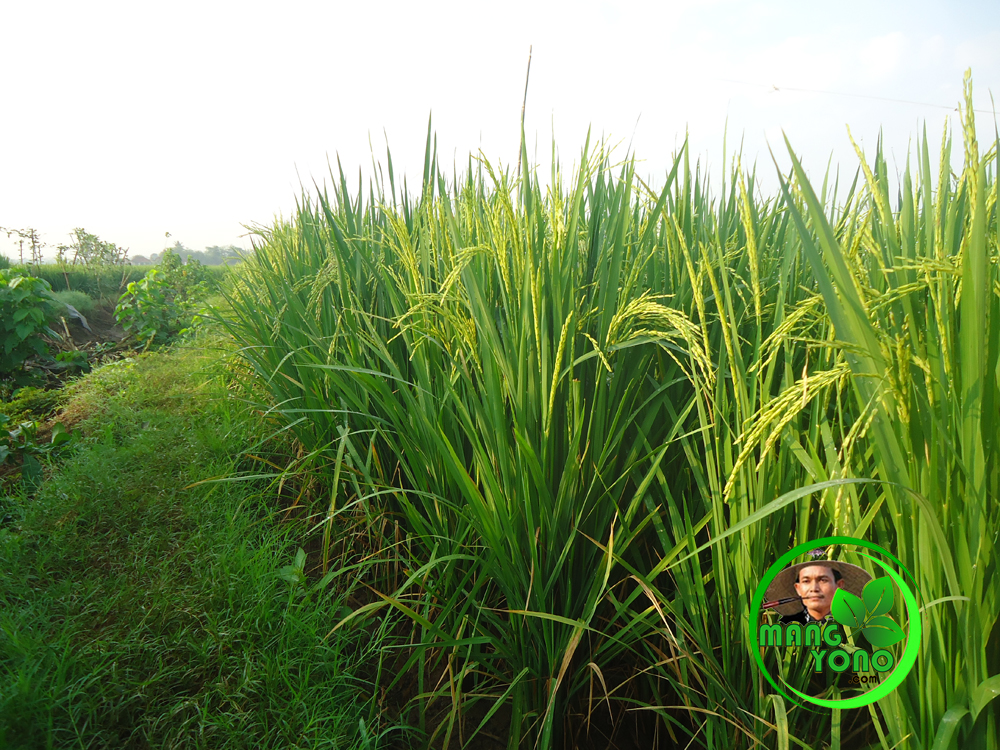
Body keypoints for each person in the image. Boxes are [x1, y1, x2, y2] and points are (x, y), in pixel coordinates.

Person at [764, 560, 871, 624]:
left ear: (839, 585)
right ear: (798, 588)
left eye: (823, 580)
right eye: (806, 581)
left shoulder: (855, 625)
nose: (814, 588)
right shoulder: (786, 625)